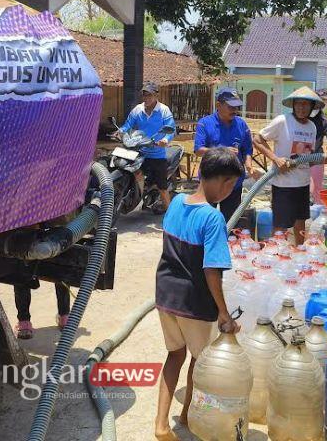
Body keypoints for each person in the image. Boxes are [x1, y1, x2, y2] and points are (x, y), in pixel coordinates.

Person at [154, 147, 241, 441]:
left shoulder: (177, 202)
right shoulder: (213, 218)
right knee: (199, 361)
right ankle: (187, 415)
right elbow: (211, 272)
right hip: (194, 303)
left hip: (165, 295)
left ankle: (161, 424)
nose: (230, 191)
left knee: (174, 355)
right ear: (220, 182)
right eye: (230, 185)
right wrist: (224, 312)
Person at [253, 86, 323, 244]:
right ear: (293, 105)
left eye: (306, 104)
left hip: (302, 183)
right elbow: (257, 140)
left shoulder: (312, 127)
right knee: (280, 226)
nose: (301, 107)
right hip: (283, 183)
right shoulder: (282, 121)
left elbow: (308, 155)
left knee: (301, 223)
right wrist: (276, 158)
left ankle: (299, 253)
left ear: (312, 107)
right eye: (298, 103)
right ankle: (276, 255)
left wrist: (323, 159)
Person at [194, 88, 254, 222]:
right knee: (206, 221)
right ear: (218, 105)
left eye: (236, 107)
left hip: (233, 183)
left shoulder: (241, 124)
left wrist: (249, 165)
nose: (234, 110)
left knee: (231, 223)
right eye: (230, 106)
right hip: (210, 182)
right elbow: (198, 150)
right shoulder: (205, 123)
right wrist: (222, 151)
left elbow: (247, 149)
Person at [118, 81, 176, 212]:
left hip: (156, 153)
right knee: (131, 170)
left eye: (149, 95)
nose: (146, 98)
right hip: (139, 150)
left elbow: (171, 129)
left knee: (162, 187)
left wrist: (166, 140)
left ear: (156, 95)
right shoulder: (137, 110)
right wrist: (120, 131)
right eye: (144, 95)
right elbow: (128, 125)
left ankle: (171, 217)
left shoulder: (163, 110)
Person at [309, 108, 327, 204]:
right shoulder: (299, 118)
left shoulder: (324, 121)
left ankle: (314, 213)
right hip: (298, 161)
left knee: (314, 192)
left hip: (316, 160)